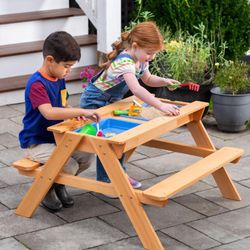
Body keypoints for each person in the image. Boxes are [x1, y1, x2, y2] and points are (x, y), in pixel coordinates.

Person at [80, 21, 180, 189]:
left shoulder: (141, 60)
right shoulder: (125, 62)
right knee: (109, 140)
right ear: (135, 46)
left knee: (117, 138)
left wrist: (164, 81)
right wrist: (160, 105)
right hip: (95, 101)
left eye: (154, 54)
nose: (152, 57)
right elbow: (137, 89)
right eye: (149, 53)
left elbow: (147, 79)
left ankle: (115, 175)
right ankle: (112, 177)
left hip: (111, 101)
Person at [19, 31, 100, 212]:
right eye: (66, 66)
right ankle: (46, 188)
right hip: (36, 143)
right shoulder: (37, 84)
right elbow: (48, 112)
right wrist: (80, 110)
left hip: (56, 138)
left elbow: (62, 104)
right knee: (69, 165)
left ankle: (57, 184)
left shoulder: (58, 78)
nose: (69, 71)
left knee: (87, 157)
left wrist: (71, 112)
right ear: (49, 60)